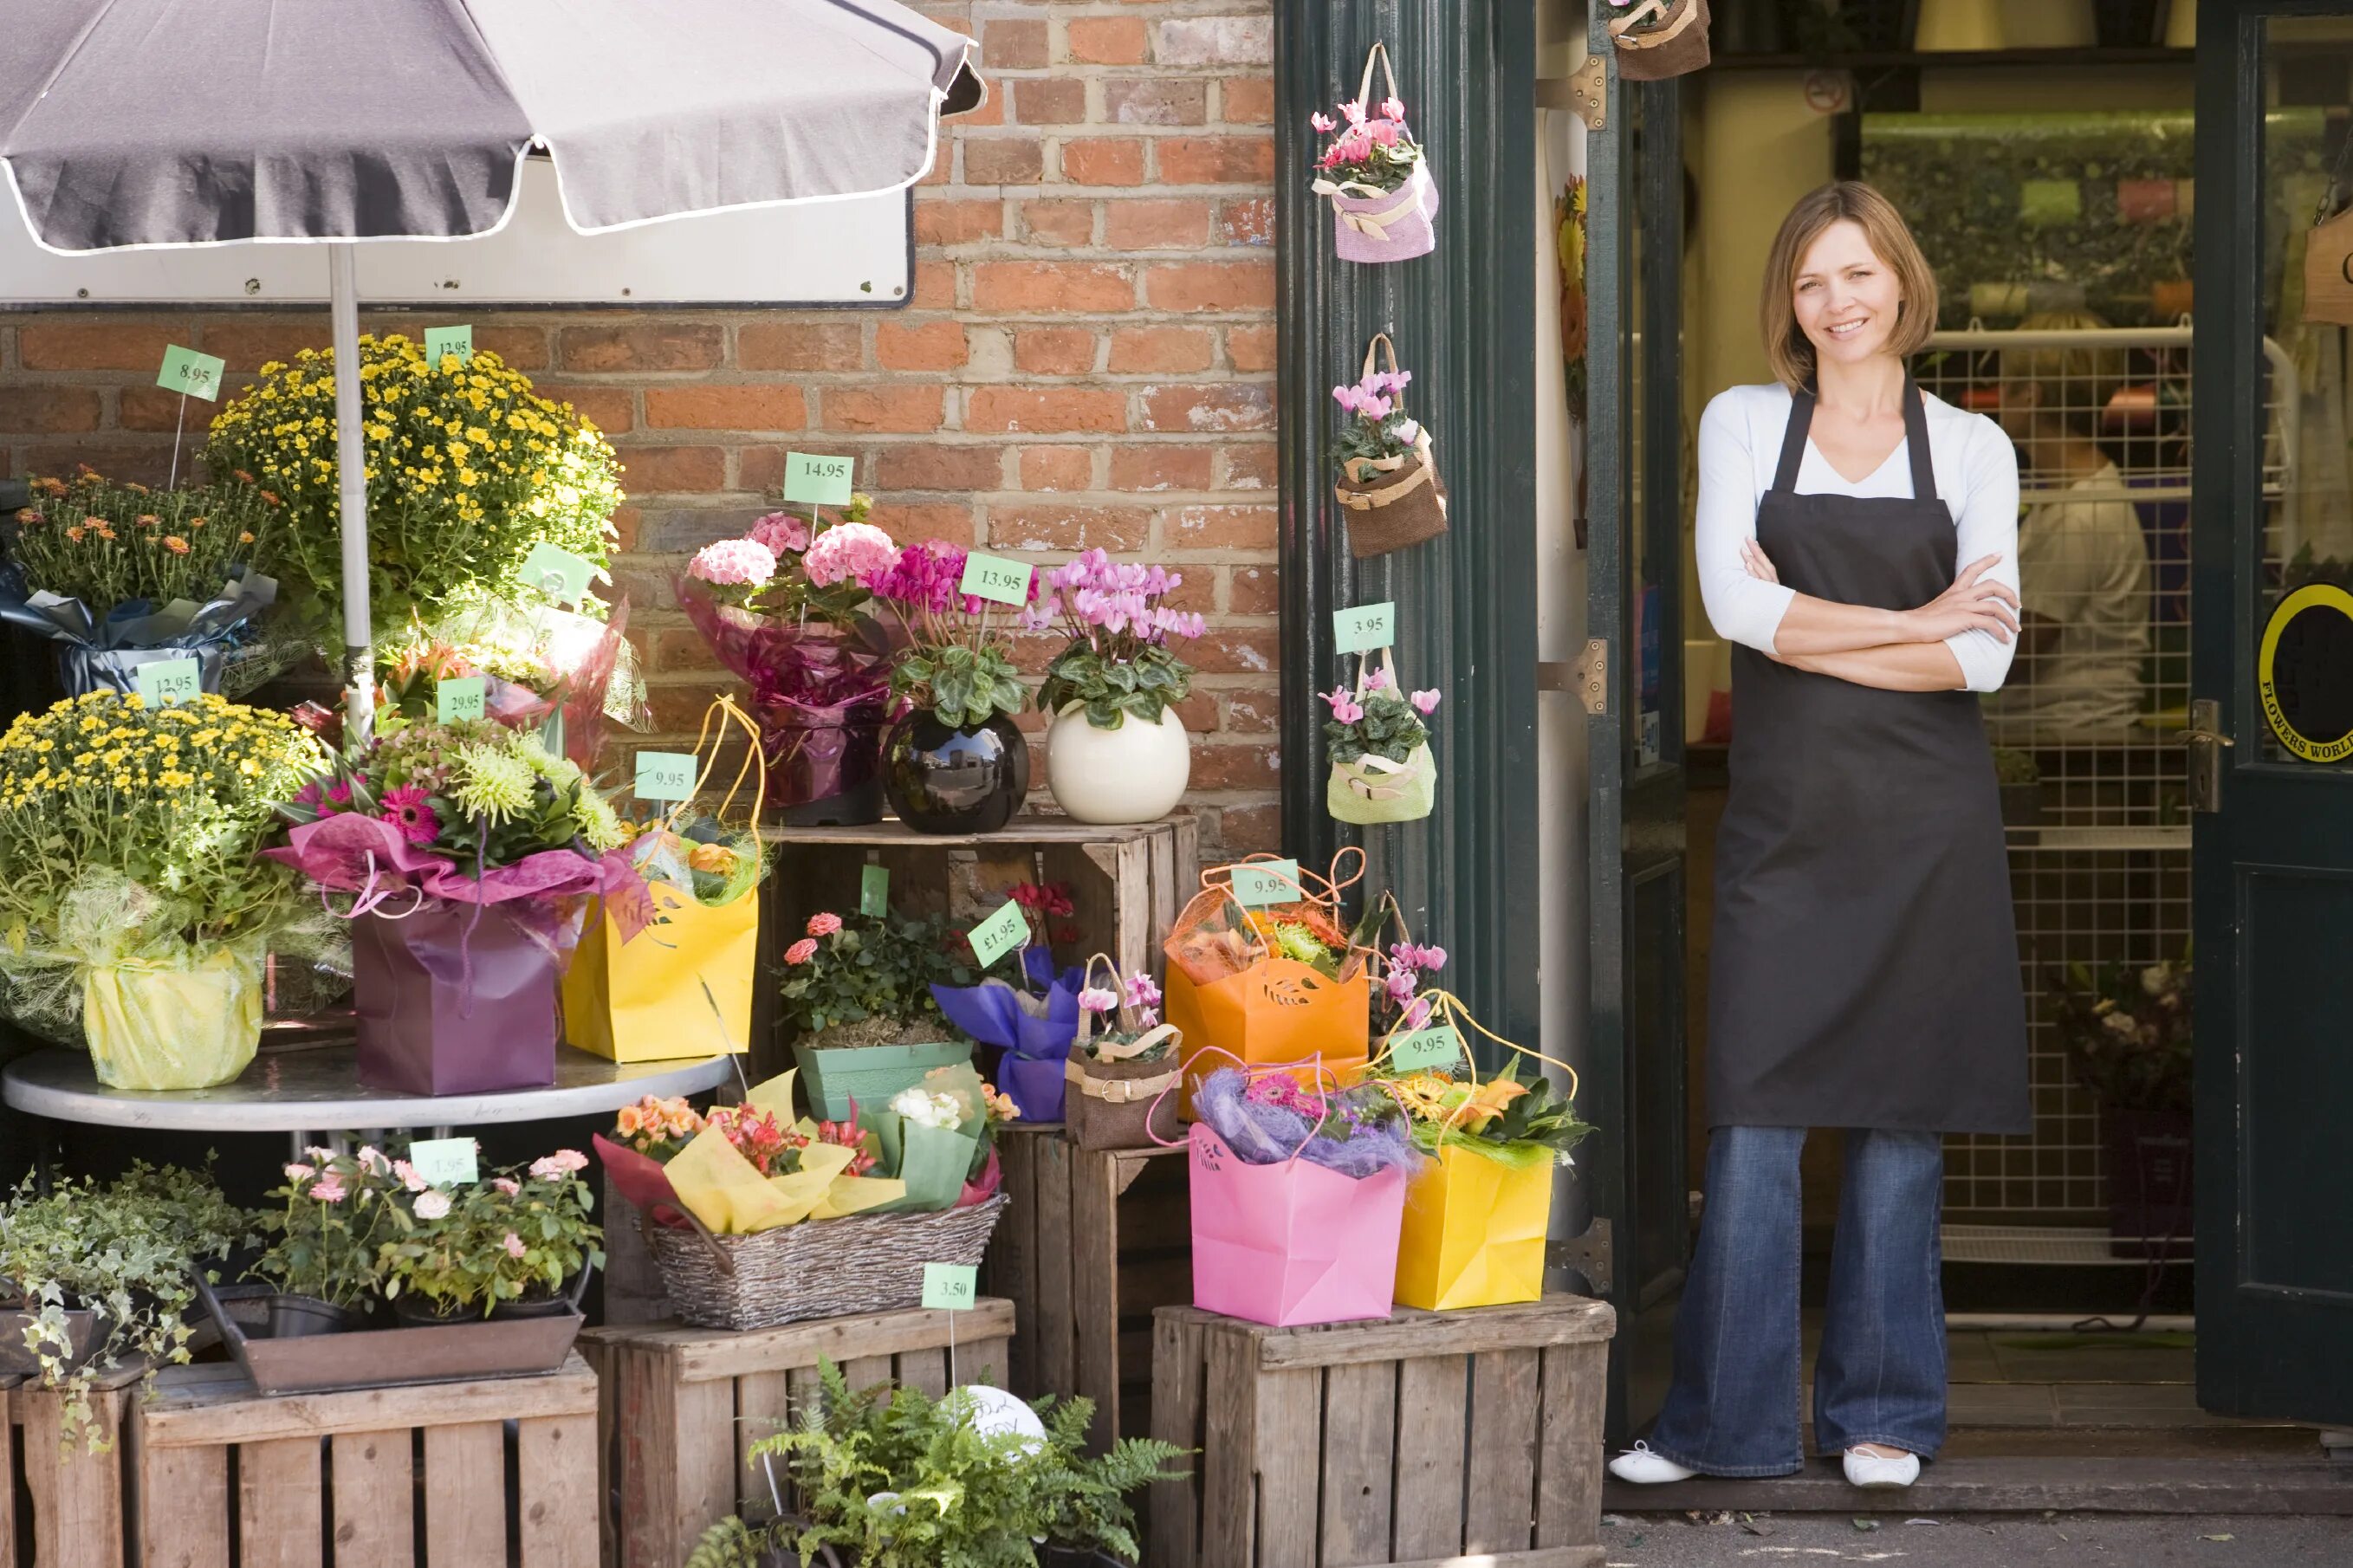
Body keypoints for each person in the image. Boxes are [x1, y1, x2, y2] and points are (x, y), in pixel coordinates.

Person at [1609, 182, 2030, 1493]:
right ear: (1786, 305)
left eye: (1856, 275)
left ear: (1900, 280)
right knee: (1755, 1112)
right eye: (1808, 284)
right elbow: (1737, 606)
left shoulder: (1971, 446)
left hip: (1925, 828)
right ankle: (1716, 1423)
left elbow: (1987, 661)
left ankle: (1884, 1411)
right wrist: (1910, 622)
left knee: (1902, 1115)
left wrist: (1823, 617)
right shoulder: (1743, 420)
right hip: (1788, 826)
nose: (1837, 303)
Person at [1983, 309, 2152, 738]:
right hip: (2055, 733)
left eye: (2005, 384)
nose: (1996, 395)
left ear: (2030, 396)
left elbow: (2018, 651)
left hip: (2072, 743)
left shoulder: (2081, 514)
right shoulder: (2070, 499)